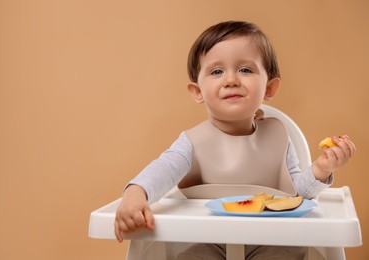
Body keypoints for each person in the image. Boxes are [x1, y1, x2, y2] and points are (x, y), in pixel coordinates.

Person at [114, 21, 356, 259]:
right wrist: (135, 194)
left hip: (273, 239)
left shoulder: (278, 136)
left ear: (270, 88)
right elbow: (162, 170)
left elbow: (297, 195)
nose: (231, 79)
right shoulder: (192, 142)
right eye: (217, 71)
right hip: (207, 241)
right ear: (198, 92)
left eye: (245, 70)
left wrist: (322, 169)